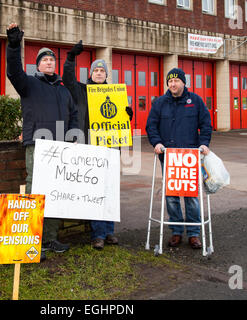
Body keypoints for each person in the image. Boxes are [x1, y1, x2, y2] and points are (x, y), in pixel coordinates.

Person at [6, 23, 78, 258]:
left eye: (52, 60)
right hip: (37, 145)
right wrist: (14, 45)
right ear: (37, 64)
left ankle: (49, 239)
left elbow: (74, 115)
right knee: (34, 189)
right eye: (45, 60)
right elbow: (13, 71)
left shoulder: (63, 89)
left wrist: (74, 137)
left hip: (59, 148)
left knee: (54, 192)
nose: (49, 62)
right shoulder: (29, 84)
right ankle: (29, 242)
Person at [62, 40, 133, 250]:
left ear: (106, 74)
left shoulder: (114, 93)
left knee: (110, 190)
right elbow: (67, 78)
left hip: (111, 148)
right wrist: (70, 58)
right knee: (95, 191)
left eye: (102, 70)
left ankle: (109, 231)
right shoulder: (81, 90)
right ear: (90, 73)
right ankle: (98, 234)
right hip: (90, 147)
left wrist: (127, 114)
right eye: (96, 70)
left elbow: (119, 121)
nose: (99, 73)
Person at [146, 67, 212, 249]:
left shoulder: (196, 101)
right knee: (172, 196)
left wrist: (204, 143)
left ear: (184, 82)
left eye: (176, 81)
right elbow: (151, 126)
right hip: (169, 157)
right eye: (170, 81)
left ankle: (193, 233)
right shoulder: (159, 103)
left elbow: (206, 124)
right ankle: (176, 231)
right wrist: (157, 143)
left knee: (191, 197)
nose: (173, 84)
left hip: (190, 157)